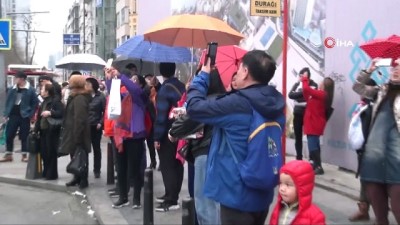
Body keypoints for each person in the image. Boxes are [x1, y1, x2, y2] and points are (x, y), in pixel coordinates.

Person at [186, 50, 285, 225]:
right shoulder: (276, 103)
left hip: (237, 196)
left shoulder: (237, 103)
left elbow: (194, 107)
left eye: (239, 69)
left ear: (246, 72)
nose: (237, 72)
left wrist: (203, 76)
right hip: (263, 193)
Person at [169, 68, 225, 225]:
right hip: (221, 155)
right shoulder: (225, 99)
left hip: (205, 154)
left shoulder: (204, 103)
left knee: (205, 205)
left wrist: (173, 131)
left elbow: (180, 127)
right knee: (215, 204)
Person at [352, 58, 400, 225]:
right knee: (379, 213)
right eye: (395, 66)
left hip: (397, 157)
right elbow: (357, 87)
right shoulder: (382, 90)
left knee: (397, 205)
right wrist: (369, 70)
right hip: (374, 155)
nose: (396, 69)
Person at [104, 67, 147, 209]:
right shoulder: (123, 96)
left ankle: (136, 198)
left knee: (135, 169)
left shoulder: (141, 96)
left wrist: (121, 76)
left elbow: (135, 90)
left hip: (136, 136)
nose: (131, 82)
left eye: (135, 80)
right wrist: (109, 78)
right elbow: (111, 93)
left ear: (140, 84)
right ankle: (123, 197)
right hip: (121, 136)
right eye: (131, 80)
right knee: (121, 168)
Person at [154, 62, 186, 212]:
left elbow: (161, 116)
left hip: (167, 131)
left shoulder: (165, 89)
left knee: (167, 166)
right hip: (180, 129)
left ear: (161, 72)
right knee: (177, 163)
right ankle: (172, 194)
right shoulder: (180, 85)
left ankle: (171, 200)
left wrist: (157, 138)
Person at [348, 79, 377, 222]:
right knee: (364, 179)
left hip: (378, 149)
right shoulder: (362, 107)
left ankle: (381, 214)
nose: (362, 92)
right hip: (364, 150)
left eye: (366, 88)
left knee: (379, 182)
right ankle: (363, 211)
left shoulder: (378, 104)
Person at [269, 160, 326, 225]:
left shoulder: (315, 216)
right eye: (281, 183)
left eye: (288, 185)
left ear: (302, 188)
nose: (282, 189)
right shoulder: (279, 208)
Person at [61, 75, 92, 189]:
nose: (69, 83)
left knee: (81, 156)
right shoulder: (74, 97)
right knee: (74, 155)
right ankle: (76, 177)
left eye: (71, 81)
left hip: (79, 133)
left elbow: (80, 118)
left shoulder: (80, 98)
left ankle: (83, 179)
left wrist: (77, 135)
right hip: (72, 132)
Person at [1, 71, 39, 162]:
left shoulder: (30, 90)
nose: (14, 80)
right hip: (13, 115)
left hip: (24, 116)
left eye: (16, 78)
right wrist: (5, 114)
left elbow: (35, 103)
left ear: (21, 79)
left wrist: (31, 115)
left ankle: (24, 155)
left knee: (24, 136)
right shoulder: (12, 89)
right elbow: (8, 102)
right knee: (9, 134)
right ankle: (8, 154)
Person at [301, 75, 334, 175]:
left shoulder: (322, 94)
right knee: (314, 144)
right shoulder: (320, 94)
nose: (319, 83)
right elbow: (306, 92)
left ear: (324, 85)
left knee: (312, 145)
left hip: (314, 123)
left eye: (321, 82)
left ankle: (318, 166)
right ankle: (315, 165)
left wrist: (305, 79)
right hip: (313, 122)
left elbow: (306, 88)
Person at [34, 83, 64, 180]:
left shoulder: (55, 101)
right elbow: (39, 117)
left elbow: (62, 113)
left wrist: (50, 113)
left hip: (51, 130)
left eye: (42, 89)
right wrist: (36, 129)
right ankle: (46, 171)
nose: (41, 91)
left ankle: (51, 174)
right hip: (43, 130)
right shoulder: (43, 102)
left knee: (51, 152)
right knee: (44, 152)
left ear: (47, 91)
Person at [288, 68, 318, 160]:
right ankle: (299, 157)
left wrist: (298, 96)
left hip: (308, 113)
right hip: (297, 113)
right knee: (298, 136)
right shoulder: (297, 84)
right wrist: (299, 91)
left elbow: (308, 94)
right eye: (300, 76)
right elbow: (291, 95)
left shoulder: (313, 85)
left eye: (302, 76)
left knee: (310, 136)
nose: (300, 77)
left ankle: (313, 159)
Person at [85, 77, 106, 179]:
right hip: (86, 126)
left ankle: (97, 169)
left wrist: (101, 123)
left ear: (93, 85)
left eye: (88, 84)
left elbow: (105, 111)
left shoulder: (101, 96)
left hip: (96, 126)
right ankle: (84, 168)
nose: (86, 86)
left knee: (96, 149)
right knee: (85, 149)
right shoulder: (84, 96)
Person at [144, 73, 161, 169]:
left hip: (157, 122)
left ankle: (161, 162)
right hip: (149, 122)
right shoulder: (147, 94)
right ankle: (153, 161)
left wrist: (157, 85)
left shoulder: (159, 94)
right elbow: (144, 93)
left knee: (158, 143)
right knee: (150, 144)